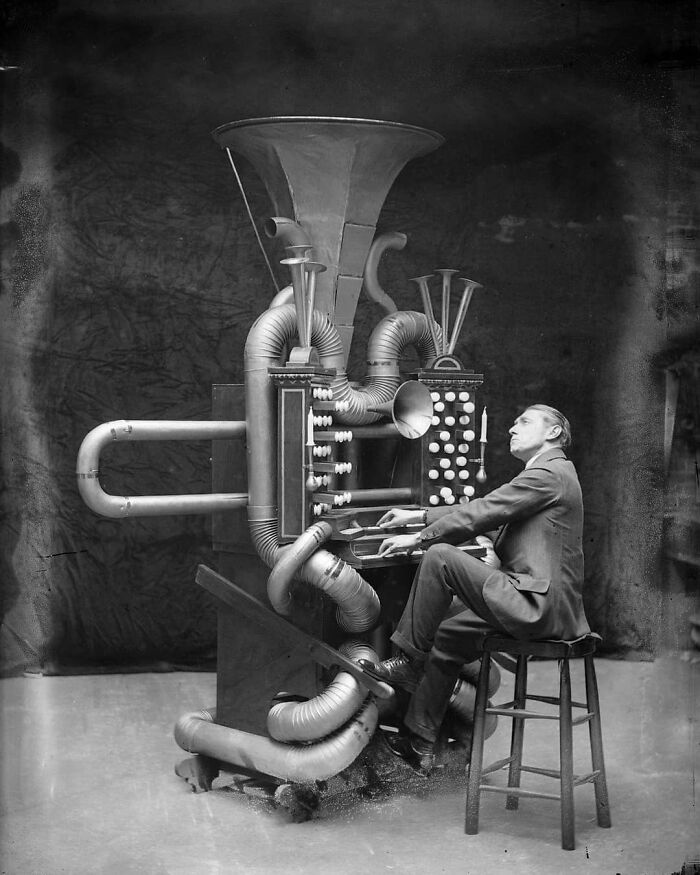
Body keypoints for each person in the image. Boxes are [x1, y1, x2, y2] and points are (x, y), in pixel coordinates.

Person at [360, 404, 590, 775]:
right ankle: (420, 742)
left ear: (553, 432)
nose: (512, 428)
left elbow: (487, 510)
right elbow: (489, 511)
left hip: (537, 606)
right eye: (514, 422)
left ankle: (408, 660)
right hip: (539, 602)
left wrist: (419, 537)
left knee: (440, 557)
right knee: (448, 635)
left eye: (524, 422)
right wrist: (420, 515)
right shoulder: (548, 475)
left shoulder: (550, 473)